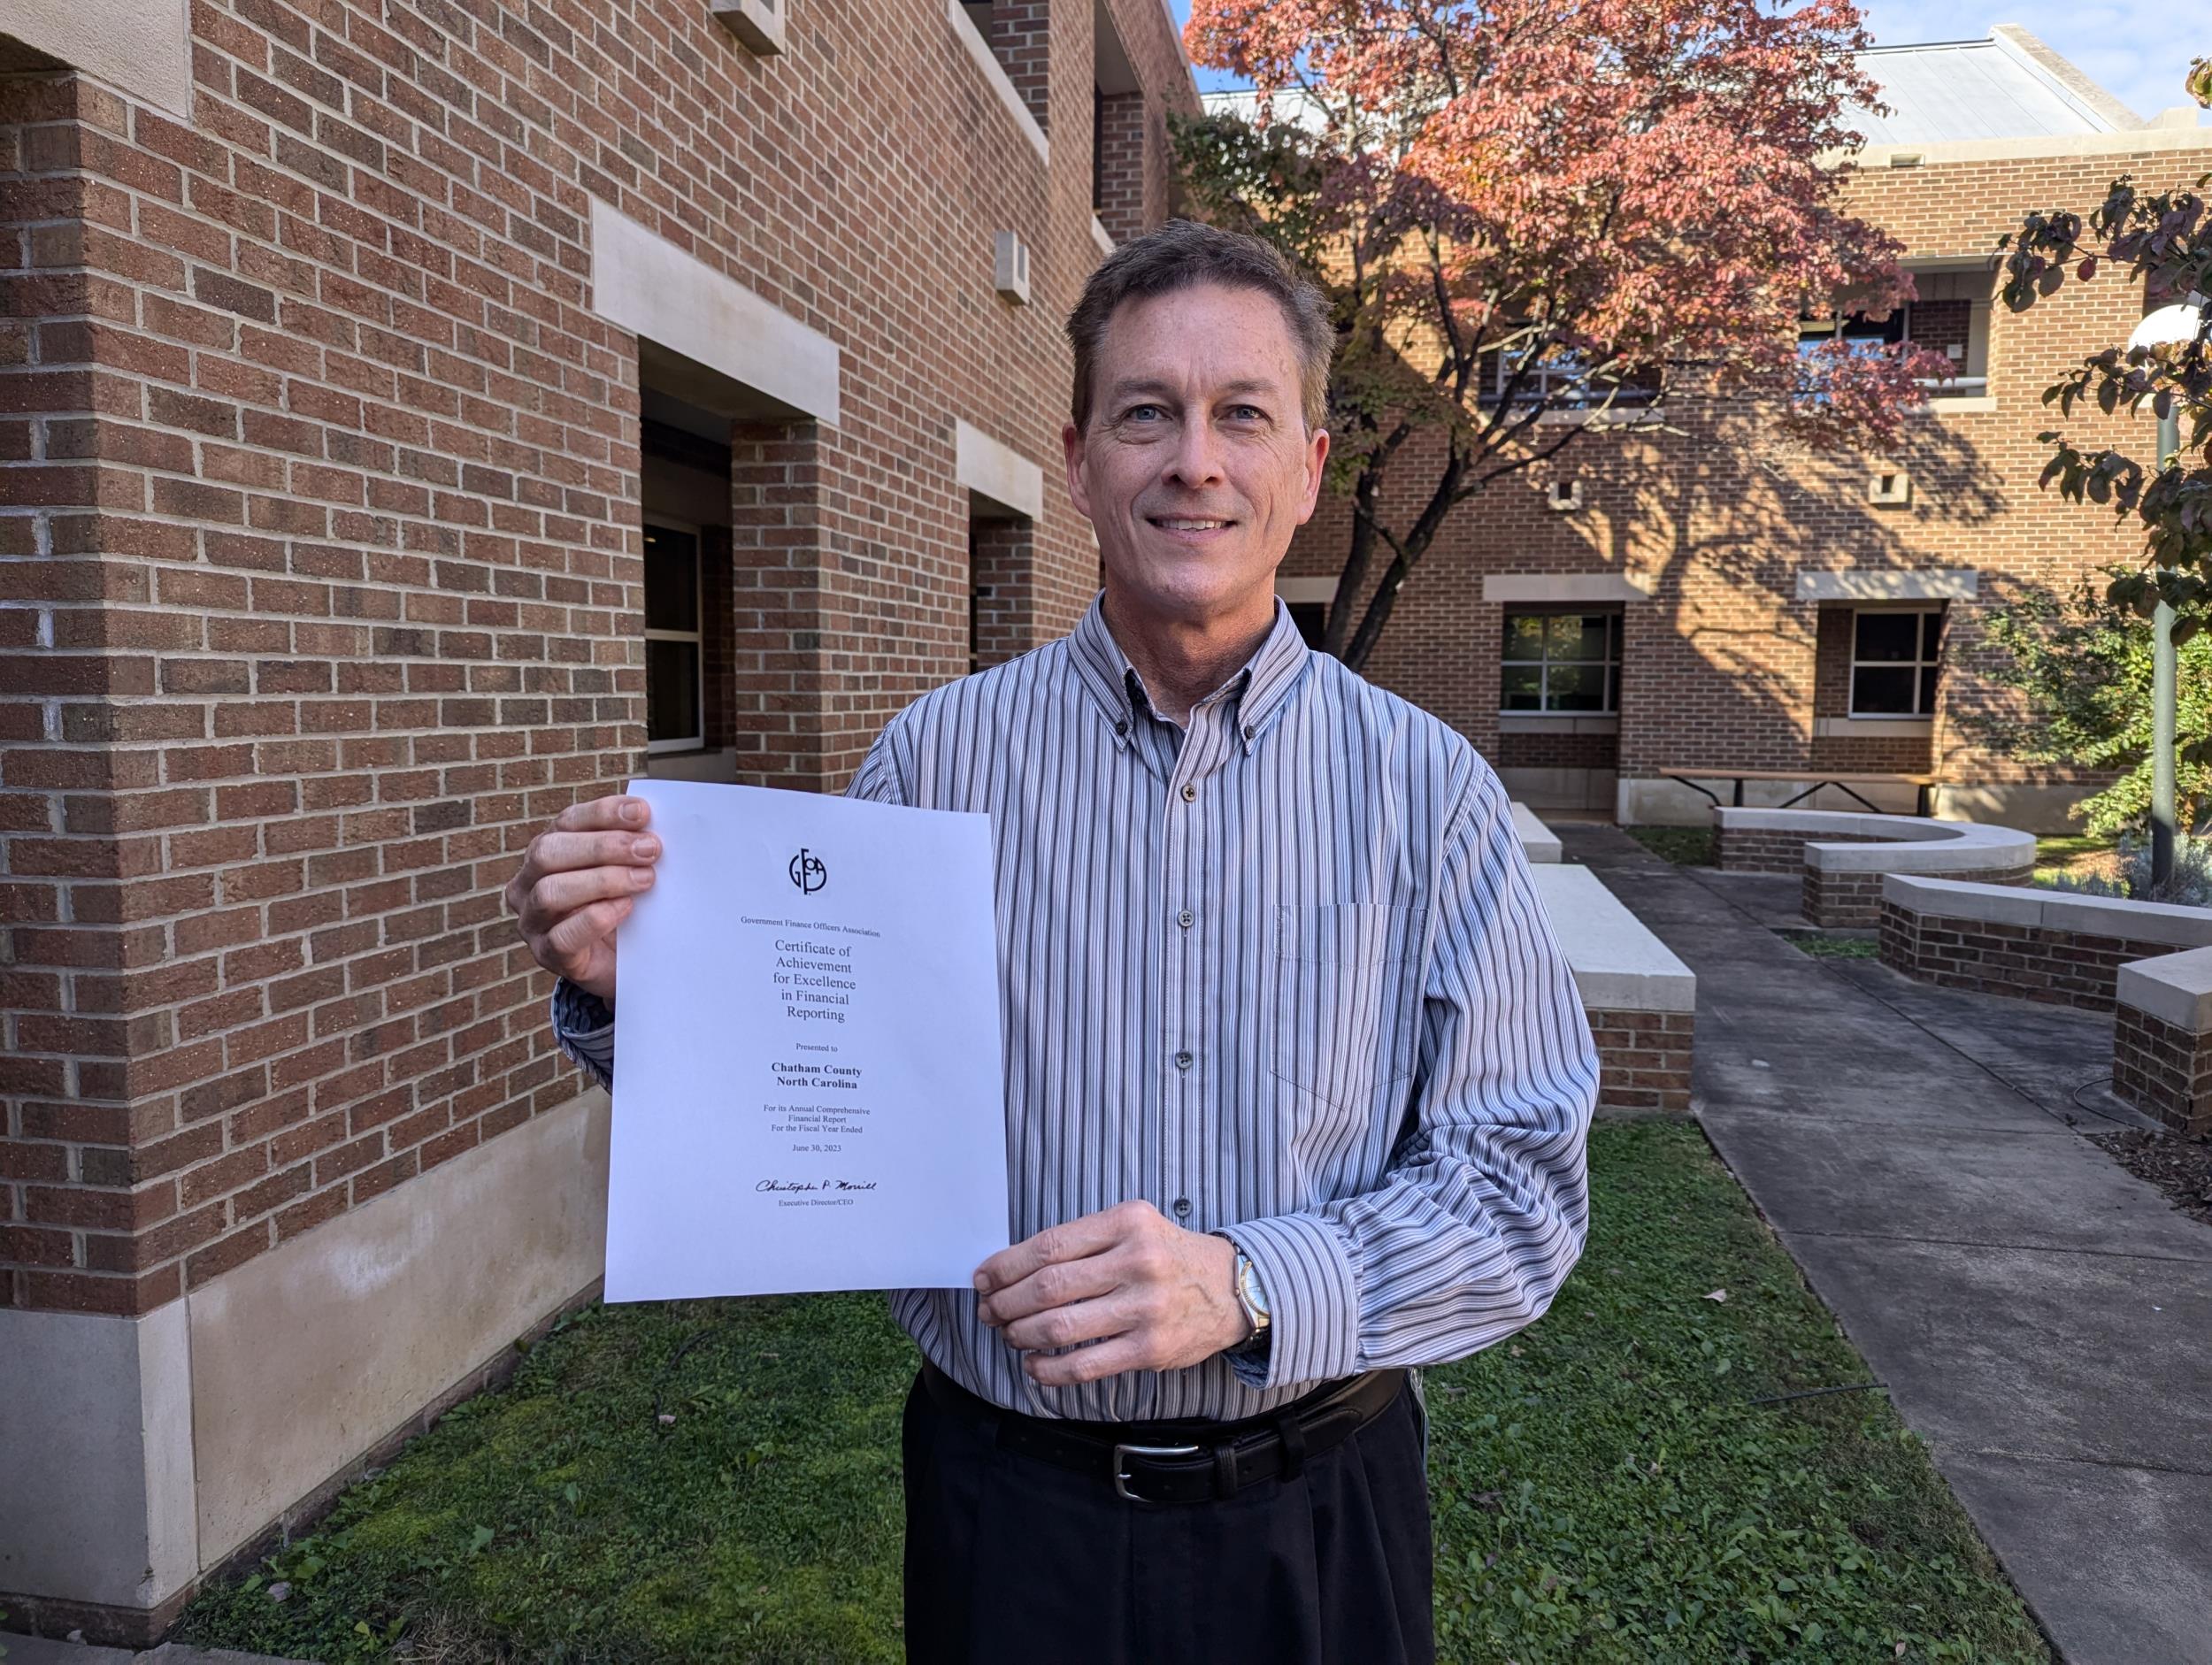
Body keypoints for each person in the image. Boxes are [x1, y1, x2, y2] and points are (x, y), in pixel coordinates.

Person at [505, 220, 1597, 1665]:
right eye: (1148, 412)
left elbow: (1519, 1185)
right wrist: (649, 993)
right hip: (1011, 1515)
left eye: (1241, 415)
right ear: (1080, 459)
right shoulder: (935, 761)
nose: (1194, 459)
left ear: (1309, 471)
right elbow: (819, 1096)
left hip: (1317, 1517)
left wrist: (1250, 1282)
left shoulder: (1427, 790)